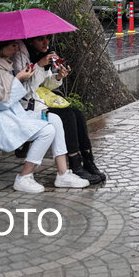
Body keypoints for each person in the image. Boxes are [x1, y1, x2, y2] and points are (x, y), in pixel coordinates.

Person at [0, 39, 89, 193]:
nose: (18, 48)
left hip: (9, 113)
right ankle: (24, 177)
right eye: (13, 45)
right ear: (0, 46)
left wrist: (26, 77)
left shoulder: (0, 63)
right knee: (46, 130)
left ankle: (62, 174)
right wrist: (18, 79)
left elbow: (7, 97)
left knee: (55, 119)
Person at [14, 35, 106, 185]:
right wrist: (39, 65)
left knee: (78, 114)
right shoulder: (22, 56)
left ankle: (88, 160)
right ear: (30, 41)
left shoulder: (43, 55)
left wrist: (58, 77)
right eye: (40, 39)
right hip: (29, 107)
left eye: (47, 39)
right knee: (67, 116)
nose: (46, 43)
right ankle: (75, 165)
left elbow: (45, 84)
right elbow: (25, 89)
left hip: (41, 101)